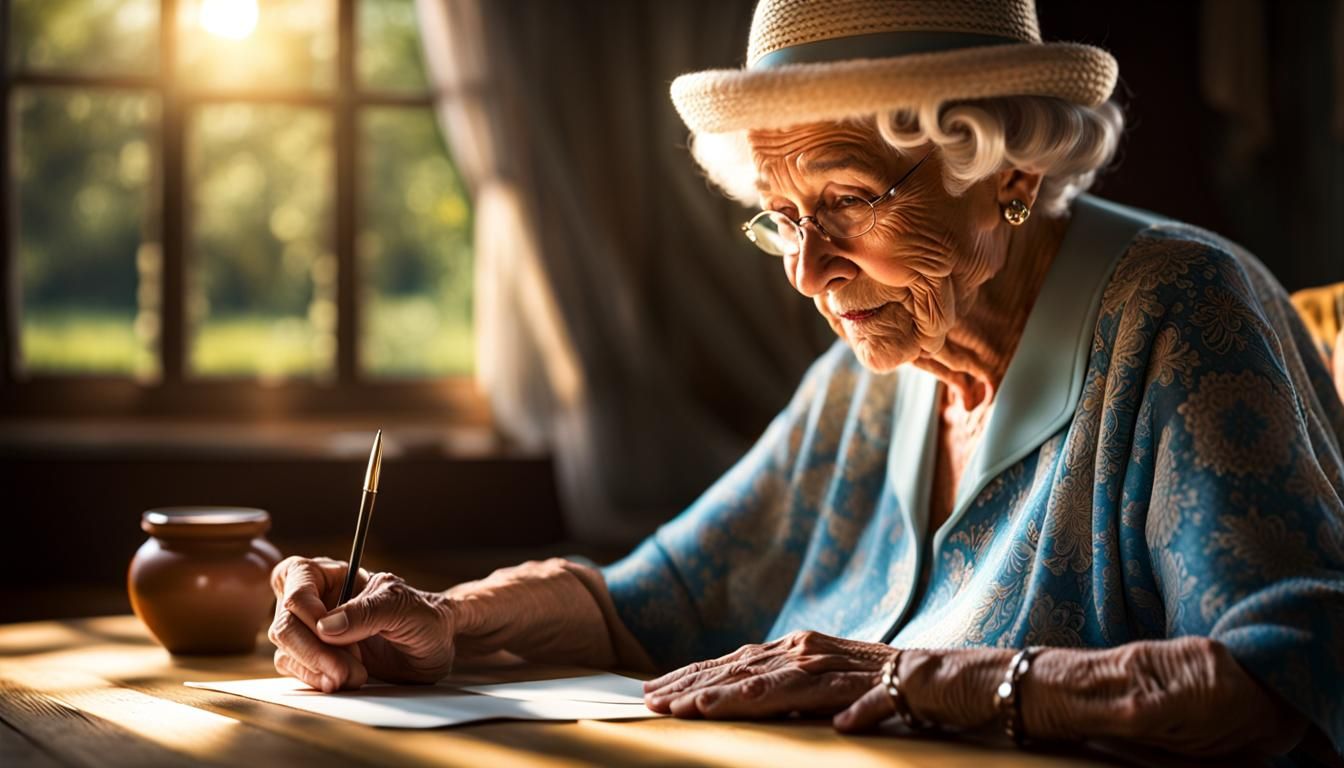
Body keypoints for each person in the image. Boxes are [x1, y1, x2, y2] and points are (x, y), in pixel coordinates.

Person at [268, 0, 1344, 760]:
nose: (807, 269)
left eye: (846, 200)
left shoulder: (1181, 310)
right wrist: (442, 620)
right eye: (782, 216)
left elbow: (1278, 675)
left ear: (1007, 172)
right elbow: (643, 605)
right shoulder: (871, 377)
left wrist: (906, 679)